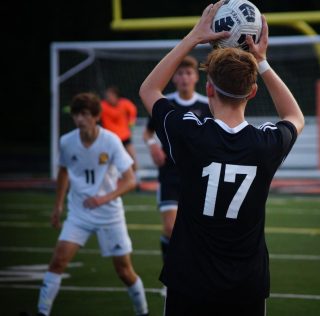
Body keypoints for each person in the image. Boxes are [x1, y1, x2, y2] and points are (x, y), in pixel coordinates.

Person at [139, 1, 304, 315]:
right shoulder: (265, 143)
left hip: (190, 279)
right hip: (247, 284)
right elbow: (294, 115)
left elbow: (149, 90)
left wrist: (192, 37)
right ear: (253, 92)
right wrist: (263, 62)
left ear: (208, 88)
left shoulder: (190, 134)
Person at [37, 93, 148, 316]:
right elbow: (63, 172)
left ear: (96, 116)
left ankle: (142, 312)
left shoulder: (111, 141)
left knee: (124, 271)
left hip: (109, 214)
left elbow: (130, 180)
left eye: (85, 114)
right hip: (79, 213)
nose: (80, 119)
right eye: (76, 114)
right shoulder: (67, 142)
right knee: (57, 262)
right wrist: (58, 206)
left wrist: (103, 198)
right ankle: (42, 311)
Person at [142, 55, 211, 272]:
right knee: (171, 228)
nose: (184, 78)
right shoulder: (165, 103)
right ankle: (171, 274)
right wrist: (153, 145)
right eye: (180, 73)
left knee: (198, 229)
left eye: (188, 73)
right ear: (173, 78)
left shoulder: (207, 104)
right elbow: (148, 132)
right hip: (169, 175)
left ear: (196, 77)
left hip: (198, 175)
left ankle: (196, 272)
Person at [101, 86, 139, 172]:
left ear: (116, 96)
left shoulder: (124, 103)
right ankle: (103, 175)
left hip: (124, 136)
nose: (108, 98)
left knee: (132, 157)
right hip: (109, 138)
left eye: (110, 96)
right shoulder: (102, 106)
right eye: (107, 96)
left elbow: (133, 110)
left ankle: (135, 177)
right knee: (104, 158)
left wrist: (131, 121)